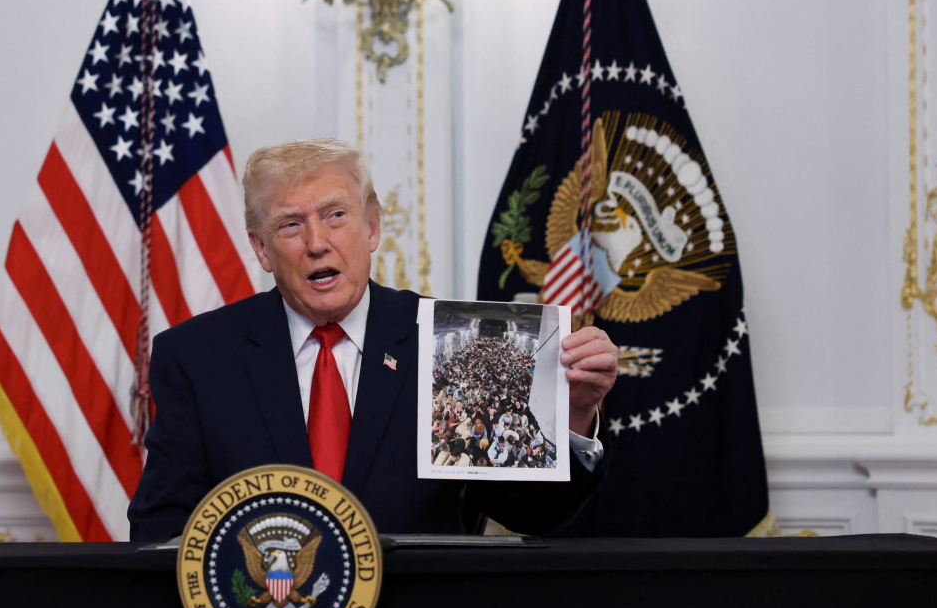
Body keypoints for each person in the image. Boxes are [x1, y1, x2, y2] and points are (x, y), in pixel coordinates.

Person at [127, 139, 619, 541]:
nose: (317, 242)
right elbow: (161, 530)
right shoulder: (196, 357)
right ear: (260, 248)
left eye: (336, 215)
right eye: (290, 225)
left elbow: (530, 516)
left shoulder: (444, 339)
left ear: (372, 227)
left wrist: (573, 417)